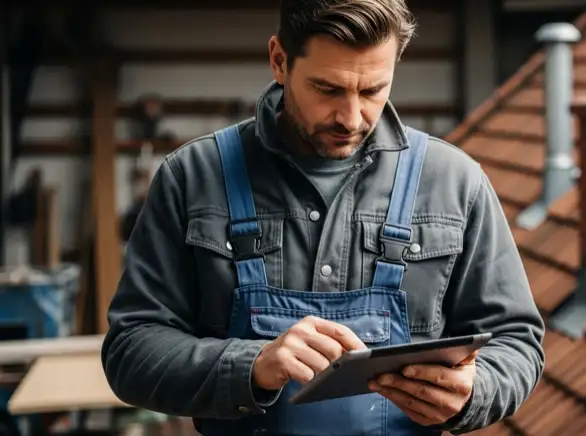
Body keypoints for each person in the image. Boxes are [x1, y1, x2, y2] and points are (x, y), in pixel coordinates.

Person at [101, 1, 545, 435]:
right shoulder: (193, 177)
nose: (350, 118)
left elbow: (517, 342)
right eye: (328, 89)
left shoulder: (454, 183)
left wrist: (474, 392)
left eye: (372, 91)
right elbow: (131, 350)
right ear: (279, 61)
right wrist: (251, 365)